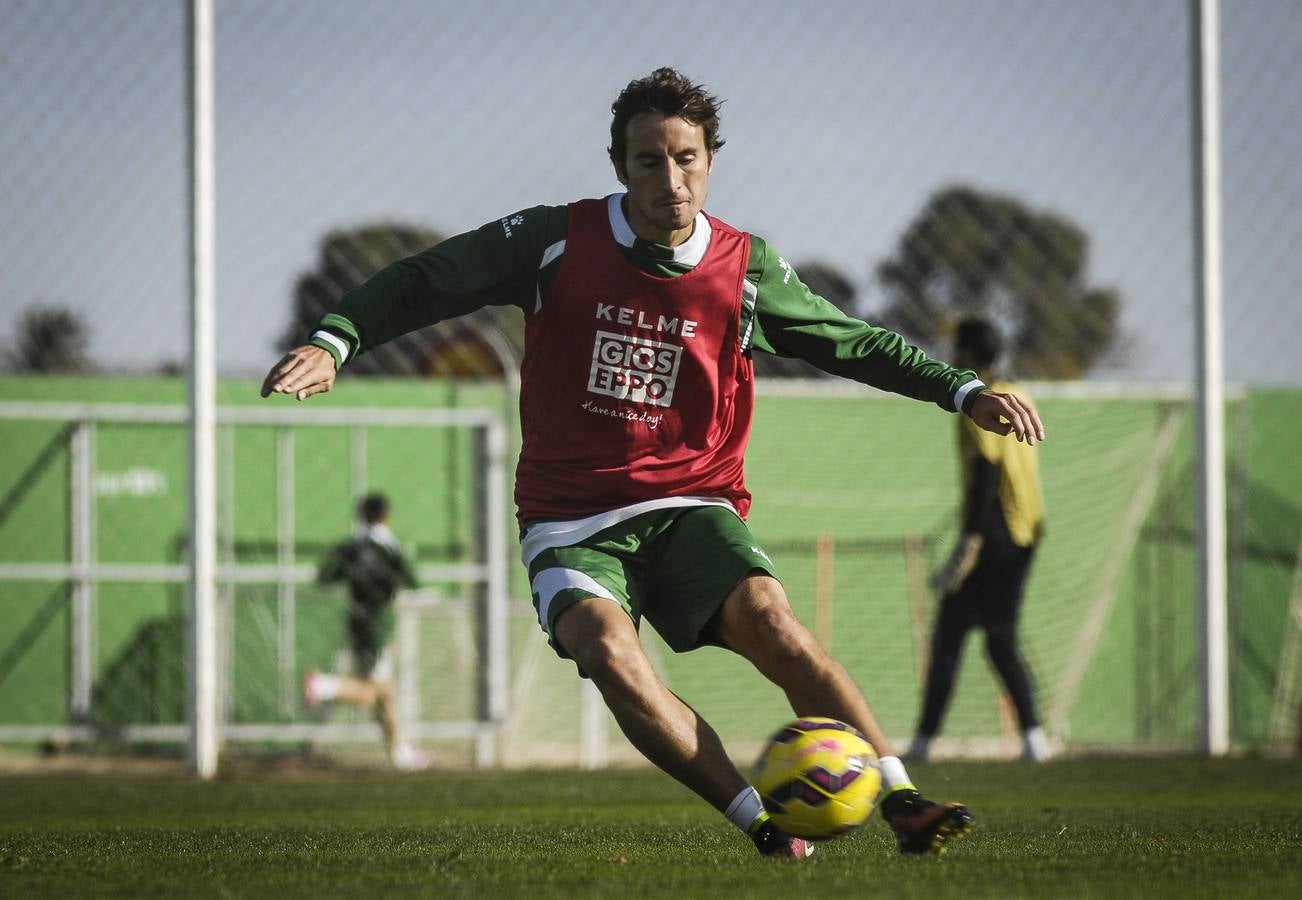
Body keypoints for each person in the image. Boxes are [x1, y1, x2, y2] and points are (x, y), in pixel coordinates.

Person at [262, 67, 1045, 858]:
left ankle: (902, 799)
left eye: (687, 158)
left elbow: (852, 341)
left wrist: (961, 389)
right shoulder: (555, 241)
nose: (671, 179)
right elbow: (427, 278)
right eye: (650, 162)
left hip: (692, 502)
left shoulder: (745, 268)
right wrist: (337, 341)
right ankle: (762, 824)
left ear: (710, 160)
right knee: (607, 651)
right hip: (572, 519)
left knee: (776, 624)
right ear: (619, 167)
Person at [907, 318, 1049, 764]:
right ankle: (1034, 740)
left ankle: (924, 744)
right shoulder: (1021, 394)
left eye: (956, 347)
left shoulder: (978, 402)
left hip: (994, 532)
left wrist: (970, 542)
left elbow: (987, 471)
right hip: (1028, 531)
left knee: (950, 634)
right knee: (999, 636)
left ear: (968, 354)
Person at [304, 492, 429, 771]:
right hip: (380, 626)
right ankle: (324, 685)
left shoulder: (351, 546)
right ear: (387, 516)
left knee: (385, 692)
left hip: (356, 621)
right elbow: (413, 580)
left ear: (359, 516)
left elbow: (326, 576)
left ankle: (400, 753)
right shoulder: (391, 548)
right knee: (374, 691)